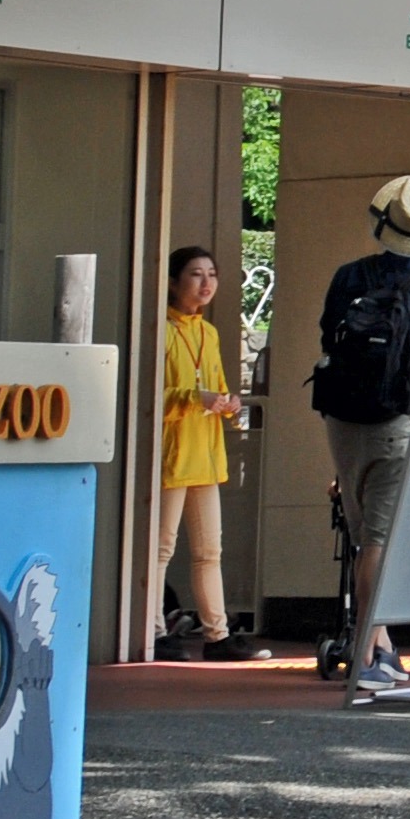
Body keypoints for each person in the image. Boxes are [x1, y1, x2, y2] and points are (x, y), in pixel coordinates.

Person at [309, 172, 410, 700]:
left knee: (362, 532)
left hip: (342, 418)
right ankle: (369, 650)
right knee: (381, 538)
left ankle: (382, 642)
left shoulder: (348, 277)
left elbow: (329, 335)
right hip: (399, 419)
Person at [151, 246, 259, 659]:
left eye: (211, 273)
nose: (206, 283)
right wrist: (197, 397)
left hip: (206, 455)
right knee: (161, 550)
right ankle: (155, 631)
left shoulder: (208, 332)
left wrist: (228, 403)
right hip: (172, 454)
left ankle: (218, 635)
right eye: (196, 274)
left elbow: (215, 384)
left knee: (209, 551)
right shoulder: (160, 329)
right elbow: (150, 397)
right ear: (174, 283)